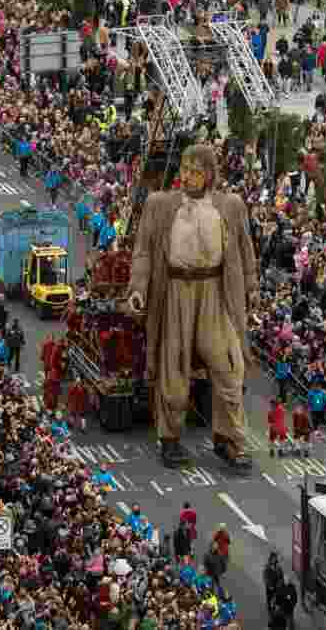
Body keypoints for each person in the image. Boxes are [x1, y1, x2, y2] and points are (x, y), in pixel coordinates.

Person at [128, 144, 257, 472]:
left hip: (215, 291)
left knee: (229, 367)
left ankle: (228, 439)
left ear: (210, 175)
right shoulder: (159, 205)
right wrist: (138, 289)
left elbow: (245, 251)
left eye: (196, 171)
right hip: (173, 291)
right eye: (184, 169)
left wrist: (252, 290)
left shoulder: (231, 206)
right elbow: (142, 251)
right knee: (173, 368)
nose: (187, 177)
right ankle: (169, 437)